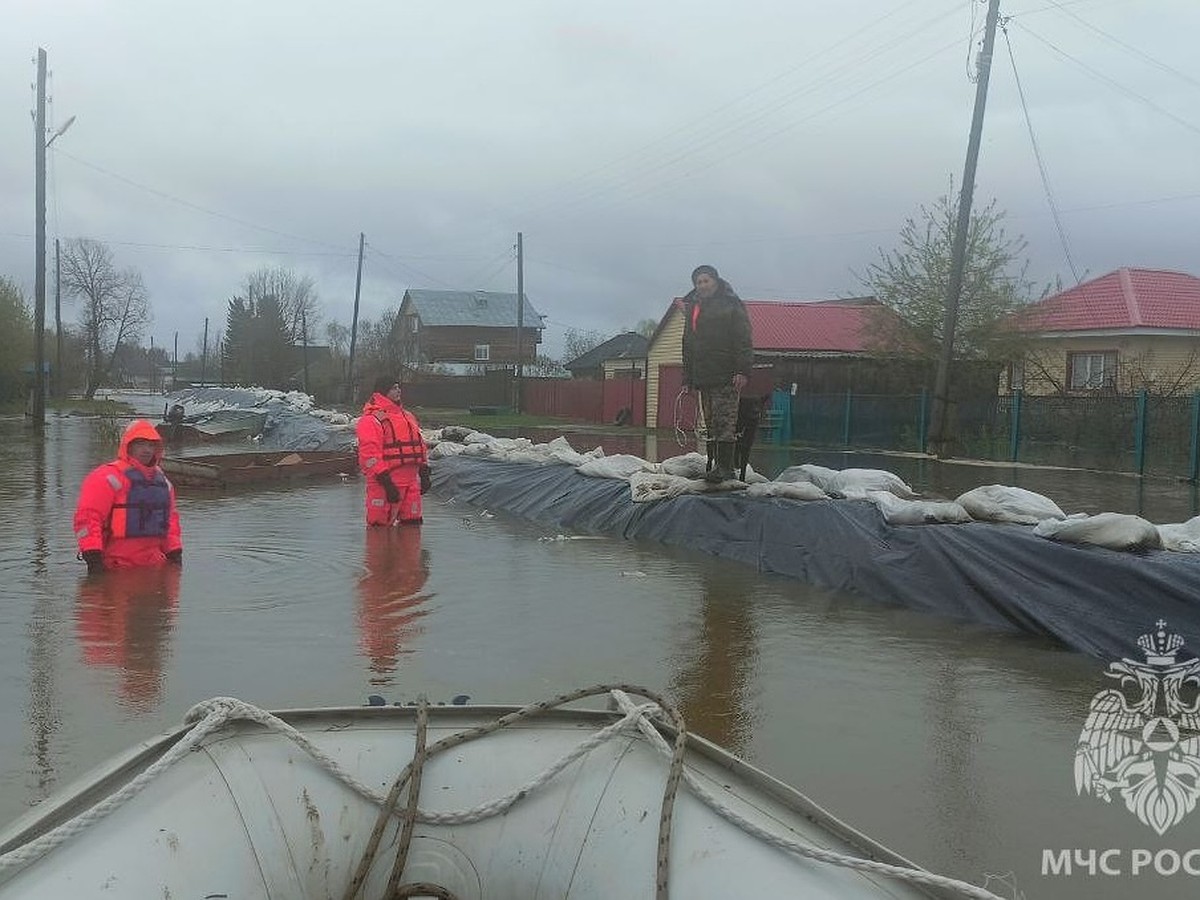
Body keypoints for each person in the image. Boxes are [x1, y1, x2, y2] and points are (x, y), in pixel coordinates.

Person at [74, 419, 184, 573]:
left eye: (151, 445)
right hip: (114, 566)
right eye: (140, 444)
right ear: (128, 446)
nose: (146, 450)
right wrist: (92, 555)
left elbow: (170, 522)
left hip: (155, 566)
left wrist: (175, 552)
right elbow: (88, 518)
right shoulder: (106, 477)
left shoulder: (164, 483)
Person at [680, 264, 754, 482]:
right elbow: (688, 344)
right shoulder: (693, 307)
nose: (702, 285)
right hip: (704, 376)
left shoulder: (731, 304)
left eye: (706, 281)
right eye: (698, 282)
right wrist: (688, 377)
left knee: (725, 422)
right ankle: (714, 465)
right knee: (711, 423)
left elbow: (743, 339)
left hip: (726, 374)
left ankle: (726, 468)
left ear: (715, 281)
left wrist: (742, 370)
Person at [356, 375, 431, 526]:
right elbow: (370, 456)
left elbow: (419, 444)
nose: (398, 391)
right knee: (379, 529)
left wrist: (424, 472)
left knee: (413, 525)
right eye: (393, 388)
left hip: (411, 482)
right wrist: (387, 483)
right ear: (383, 391)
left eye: (398, 387)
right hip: (385, 482)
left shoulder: (408, 416)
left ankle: (406, 550)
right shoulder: (371, 420)